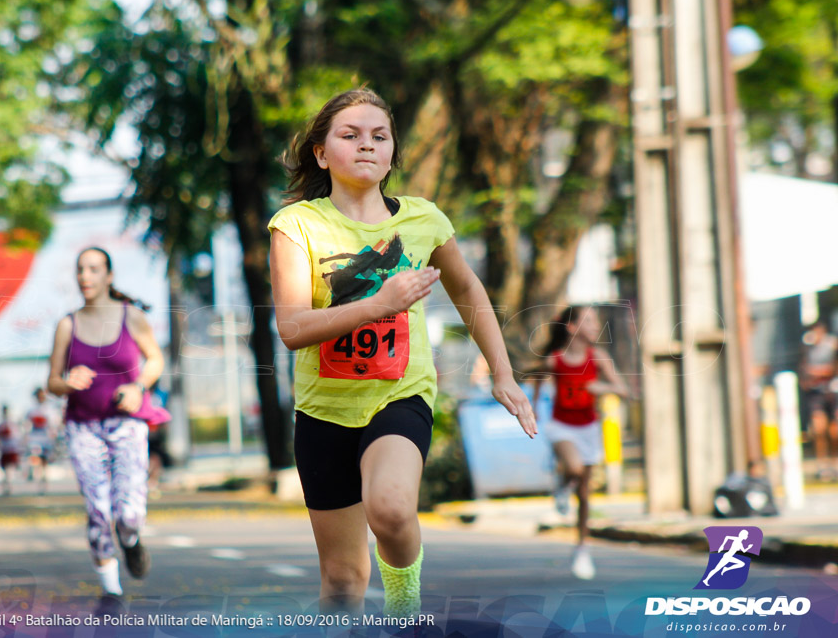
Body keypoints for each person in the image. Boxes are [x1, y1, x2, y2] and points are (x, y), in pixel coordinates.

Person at [268, 88, 536, 617]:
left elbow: (468, 290)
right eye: (350, 136)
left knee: (391, 509)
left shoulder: (423, 220)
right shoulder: (297, 225)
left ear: (392, 152)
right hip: (324, 412)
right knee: (343, 584)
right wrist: (380, 303)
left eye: (379, 136)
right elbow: (293, 327)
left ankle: (405, 611)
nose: (366, 145)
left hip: (400, 394)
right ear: (322, 153)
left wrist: (502, 373)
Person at [46, 247, 168, 616]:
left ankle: (131, 540)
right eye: (80, 269)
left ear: (108, 276)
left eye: (94, 269)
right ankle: (111, 590)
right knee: (98, 509)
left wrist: (137, 388)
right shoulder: (67, 324)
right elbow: (51, 382)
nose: (85, 276)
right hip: (83, 426)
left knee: (128, 512)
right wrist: (66, 382)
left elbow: (156, 359)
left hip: (126, 423)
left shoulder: (131, 317)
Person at [530, 305, 628, 580]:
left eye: (596, 321)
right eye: (590, 320)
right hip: (561, 427)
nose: (596, 326)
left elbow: (623, 390)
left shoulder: (598, 358)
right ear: (572, 327)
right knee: (572, 468)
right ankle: (561, 485)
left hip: (589, 429)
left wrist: (603, 388)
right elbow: (538, 378)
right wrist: (535, 407)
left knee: (584, 496)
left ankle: (582, 549)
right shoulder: (555, 359)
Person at [799, 320, 838, 480]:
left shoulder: (833, 345)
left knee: (834, 431)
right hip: (816, 393)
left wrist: (819, 372)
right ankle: (822, 464)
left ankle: (835, 462)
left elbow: (833, 368)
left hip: (833, 391)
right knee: (818, 428)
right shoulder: (807, 346)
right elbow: (803, 368)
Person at [24, 387, 56, 493]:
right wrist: (26, 437)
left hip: (46, 440)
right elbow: (26, 425)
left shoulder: (49, 410)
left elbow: (53, 426)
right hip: (35, 439)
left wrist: (53, 438)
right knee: (36, 460)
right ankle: (37, 480)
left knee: (44, 464)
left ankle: (43, 484)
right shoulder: (31, 410)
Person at [0, 404, 20, 496]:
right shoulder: (1, 422)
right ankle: (6, 487)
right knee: (5, 470)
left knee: (9, 470)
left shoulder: (11, 422)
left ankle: (9, 487)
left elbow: (16, 435)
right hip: (5, 449)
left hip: (11, 449)